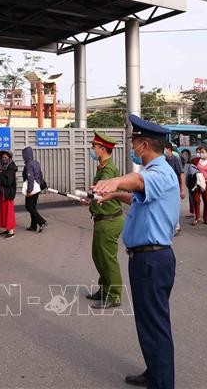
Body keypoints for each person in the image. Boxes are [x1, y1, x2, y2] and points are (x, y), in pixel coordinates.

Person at [92, 115, 179, 389]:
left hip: (152, 260)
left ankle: (162, 383)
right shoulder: (154, 173)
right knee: (147, 322)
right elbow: (138, 197)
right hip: (145, 259)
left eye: (134, 143)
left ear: (143, 145)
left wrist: (116, 181)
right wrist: (115, 195)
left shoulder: (158, 172)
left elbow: (138, 183)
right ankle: (154, 372)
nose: (132, 148)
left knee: (155, 324)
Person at [85, 132, 124, 310]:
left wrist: (92, 197)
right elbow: (100, 193)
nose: (92, 149)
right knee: (99, 256)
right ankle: (104, 289)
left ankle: (114, 295)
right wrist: (90, 198)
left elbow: (103, 192)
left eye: (94, 146)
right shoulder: (102, 167)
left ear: (102, 149)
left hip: (109, 220)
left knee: (107, 259)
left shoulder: (107, 170)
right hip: (102, 218)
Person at [21, 146, 47, 233]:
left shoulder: (29, 165)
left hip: (32, 188)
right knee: (33, 207)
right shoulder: (36, 162)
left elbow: (30, 179)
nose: (22, 156)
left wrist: (29, 191)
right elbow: (40, 174)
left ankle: (41, 221)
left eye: (23, 154)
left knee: (28, 207)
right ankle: (33, 226)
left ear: (26, 155)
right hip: (38, 187)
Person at [0, 150, 17, 239]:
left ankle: (11, 232)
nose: (3, 159)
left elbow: (8, 182)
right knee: (3, 211)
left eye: (5, 157)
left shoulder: (10, 168)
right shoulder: (5, 167)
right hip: (3, 192)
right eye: (2, 157)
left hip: (8, 193)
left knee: (8, 212)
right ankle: (8, 229)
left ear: (9, 158)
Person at [164, 143, 185, 236]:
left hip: (174, 187)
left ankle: (177, 227)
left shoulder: (175, 159)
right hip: (164, 187)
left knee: (175, 206)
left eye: (164, 149)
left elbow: (181, 174)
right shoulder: (162, 160)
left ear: (169, 149)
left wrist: (182, 189)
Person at [191, 146, 207, 226]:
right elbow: (191, 170)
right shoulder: (195, 161)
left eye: (203, 152)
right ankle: (197, 218)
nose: (201, 154)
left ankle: (206, 218)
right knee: (196, 200)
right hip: (197, 184)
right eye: (200, 152)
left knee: (206, 201)